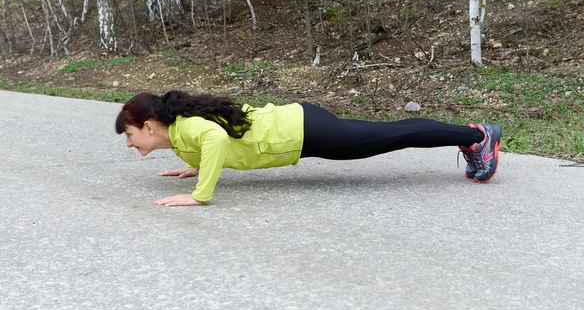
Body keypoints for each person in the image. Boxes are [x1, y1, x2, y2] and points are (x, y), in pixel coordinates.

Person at [115, 90, 502, 206]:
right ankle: (469, 136)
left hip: (304, 131)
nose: (130, 144)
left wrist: (200, 196)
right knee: (389, 135)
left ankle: (477, 136)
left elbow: (215, 138)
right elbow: (215, 143)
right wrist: (199, 166)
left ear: (149, 126)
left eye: (131, 135)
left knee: (392, 135)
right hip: (301, 130)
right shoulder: (181, 136)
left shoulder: (189, 128)